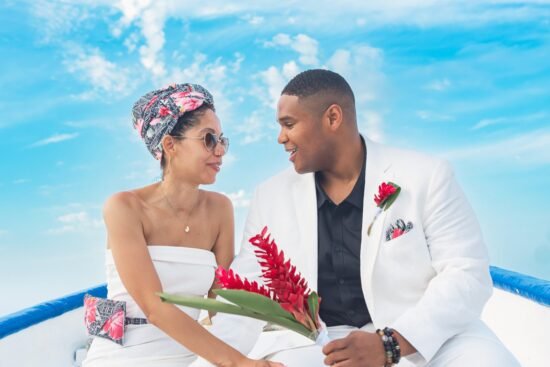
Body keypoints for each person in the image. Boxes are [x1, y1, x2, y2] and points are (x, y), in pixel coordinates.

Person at [191, 70, 519, 366]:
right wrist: (222, 360)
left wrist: (391, 342)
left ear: (333, 117)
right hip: (312, 345)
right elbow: (253, 287)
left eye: (289, 124)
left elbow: (467, 273)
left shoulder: (426, 175)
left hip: (418, 334)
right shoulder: (270, 195)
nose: (281, 138)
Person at [82, 83, 284, 367]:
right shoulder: (124, 207)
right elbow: (154, 307)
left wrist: (286, 310)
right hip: (124, 355)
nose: (220, 151)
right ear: (170, 145)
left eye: (222, 140)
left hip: (193, 355)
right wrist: (238, 362)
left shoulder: (219, 209)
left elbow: (223, 301)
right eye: (208, 139)